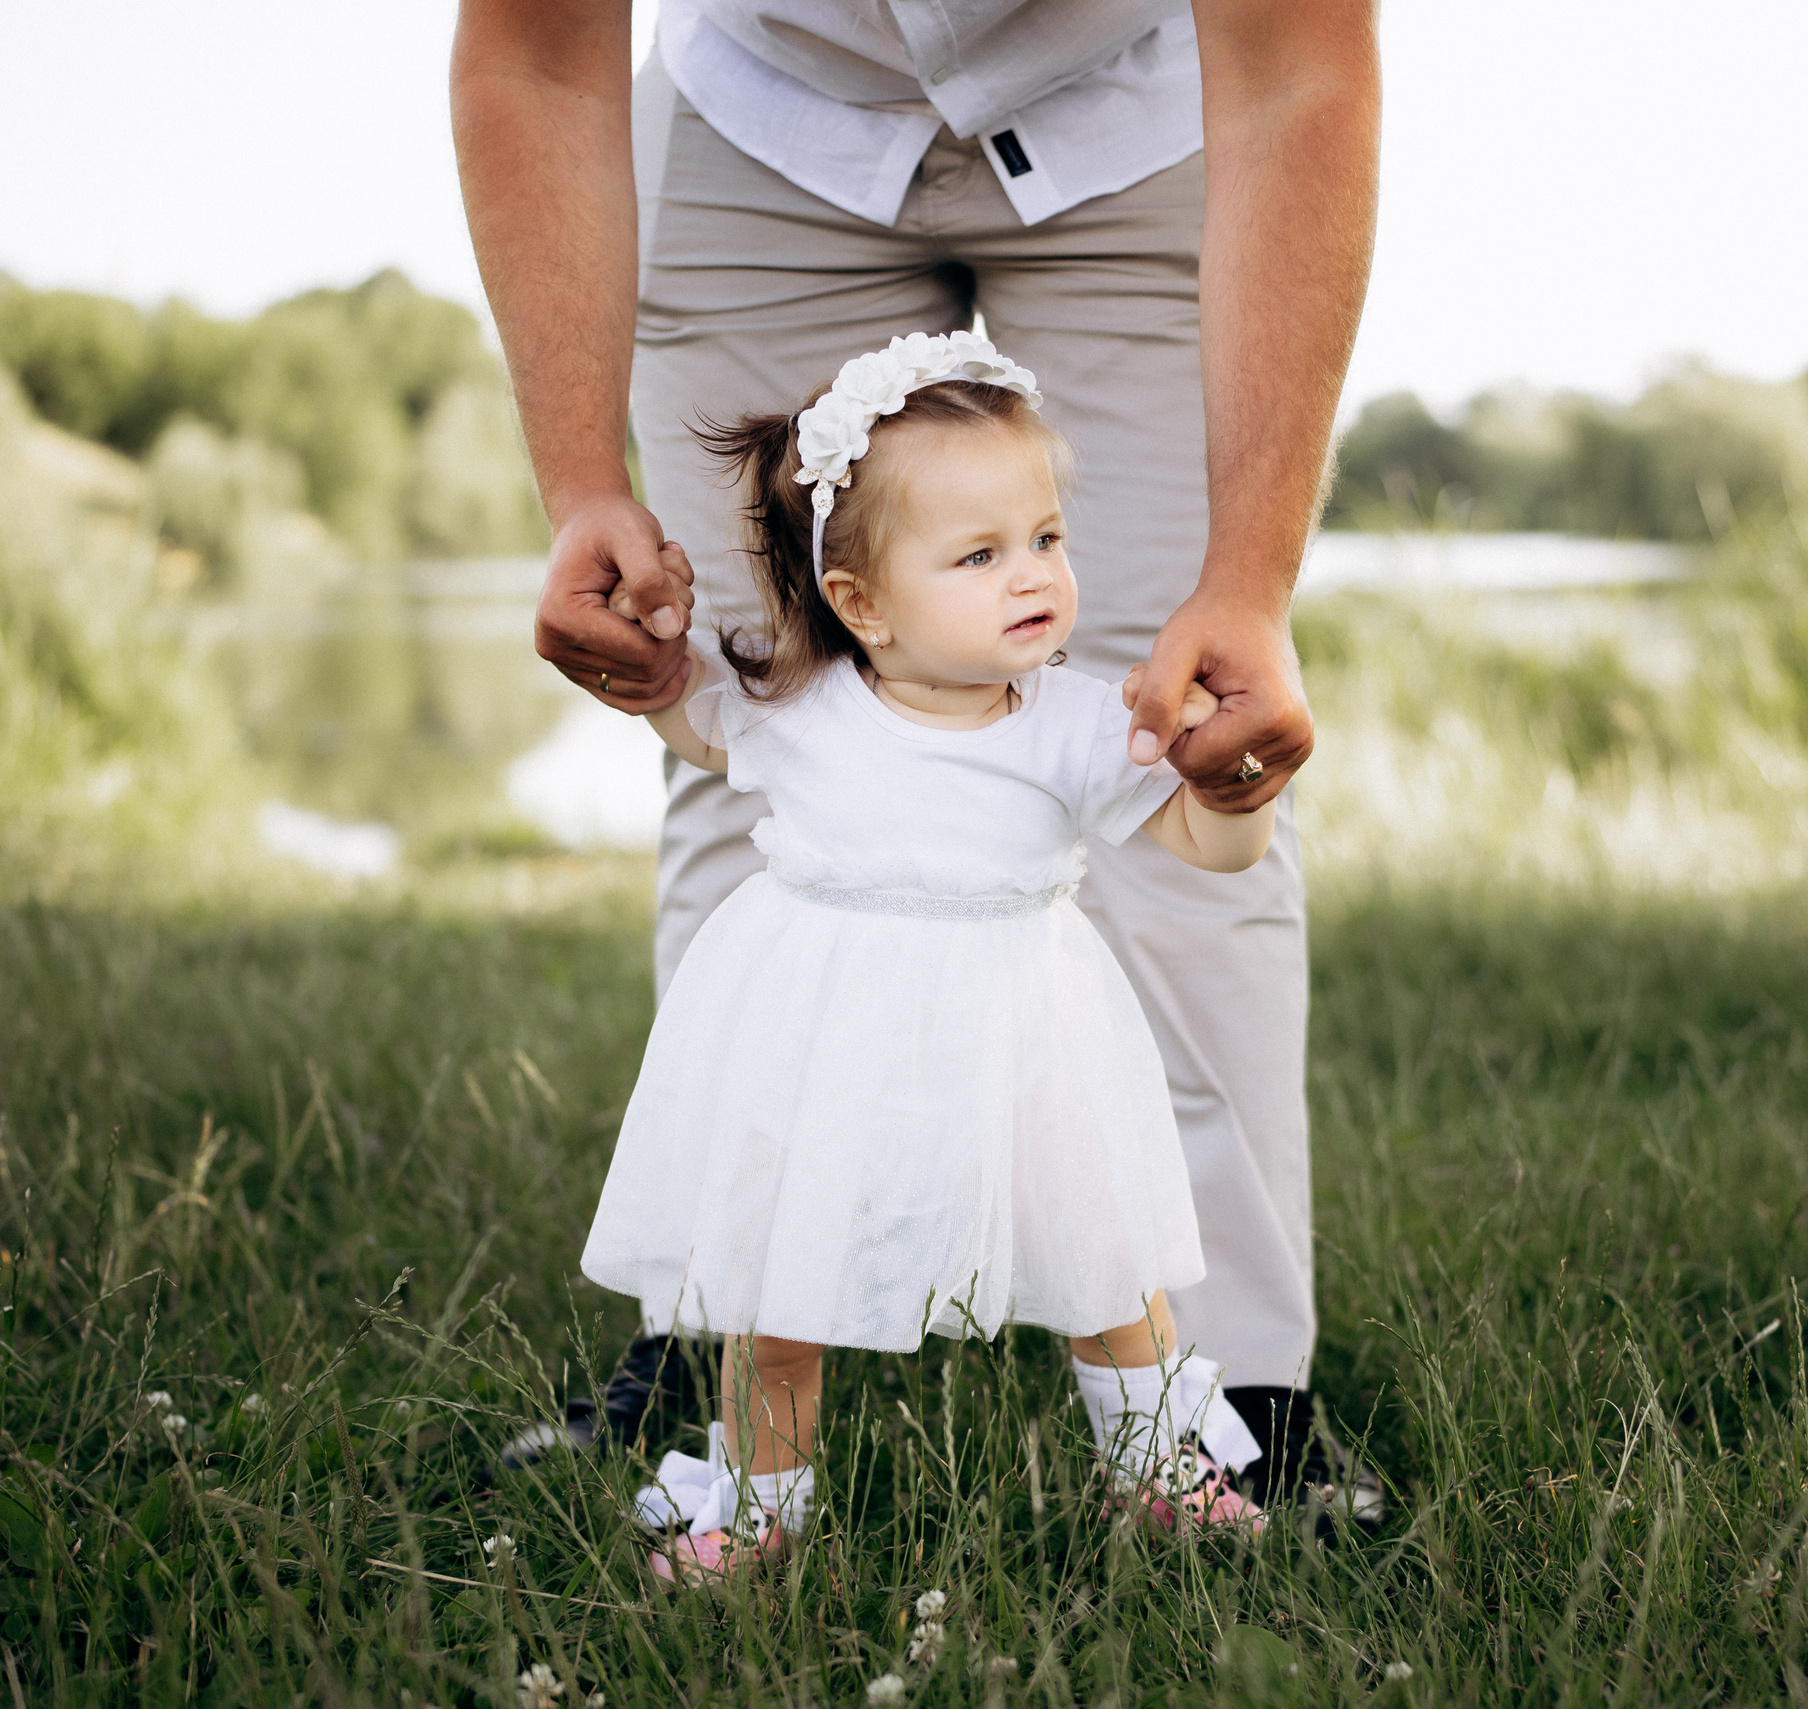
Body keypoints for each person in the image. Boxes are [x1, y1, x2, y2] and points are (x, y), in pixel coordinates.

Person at [451, 0, 1383, 1523]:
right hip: (769, 114)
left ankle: (1231, 1399)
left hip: (1142, 114)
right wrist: (581, 490)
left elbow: (1299, 67)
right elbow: (536, 51)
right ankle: (723, 1340)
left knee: (1175, 689)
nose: (1037, 567)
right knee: (762, 749)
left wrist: (1250, 592)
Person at [586, 336, 1276, 1579]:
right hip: (821, 1039)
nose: (1034, 577)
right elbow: (683, 715)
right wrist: (642, 655)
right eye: (979, 554)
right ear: (861, 602)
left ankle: (1161, 1472)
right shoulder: (796, 707)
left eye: (1047, 539)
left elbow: (1202, 842)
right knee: (780, 1293)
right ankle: (754, 1505)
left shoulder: (1077, 722)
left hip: (1024, 1039)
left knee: (1107, 1272)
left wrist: (1237, 789)